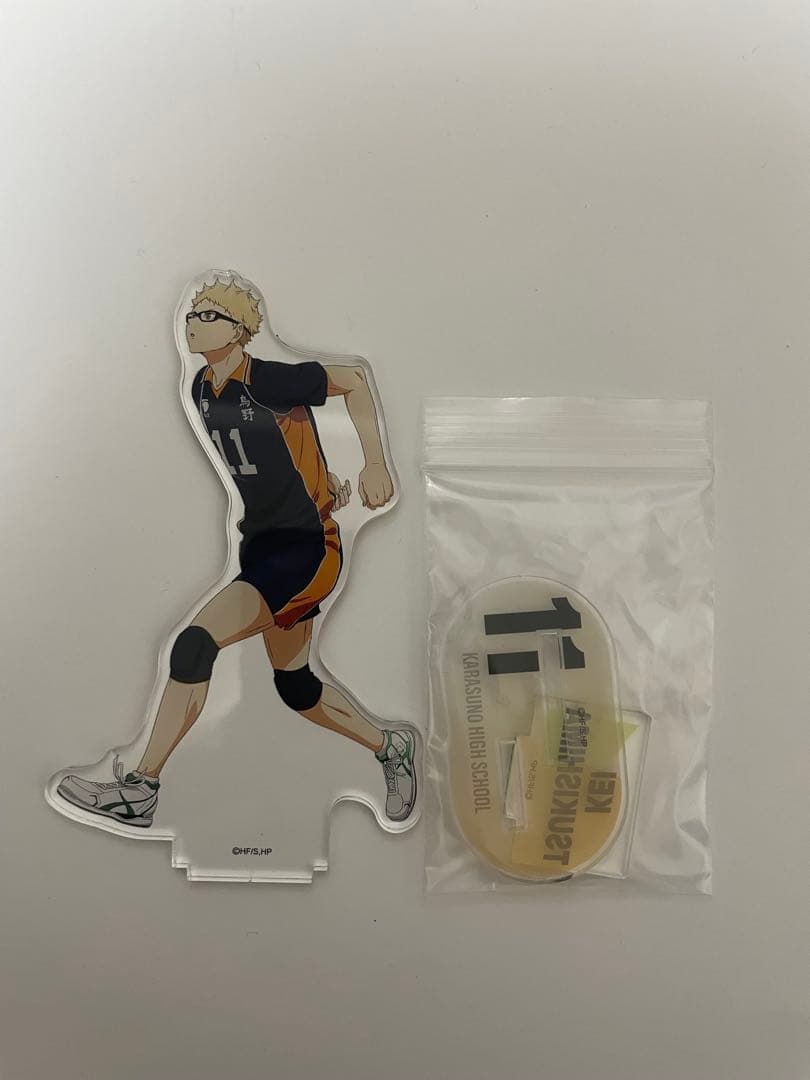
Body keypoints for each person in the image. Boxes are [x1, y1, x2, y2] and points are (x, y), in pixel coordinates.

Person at [56, 277, 416, 828]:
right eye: (191, 314)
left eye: (207, 315)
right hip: (261, 546)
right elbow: (283, 444)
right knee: (297, 687)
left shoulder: (266, 378)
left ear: (239, 329)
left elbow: (354, 379)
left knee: (194, 645)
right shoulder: (201, 387)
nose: (191, 323)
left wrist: (373, 463)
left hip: (305, 550)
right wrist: (321, 478)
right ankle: (391, 747)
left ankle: (141, 791)